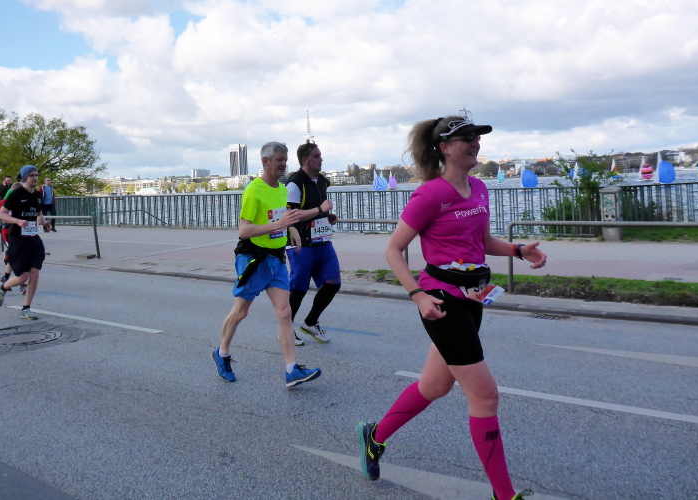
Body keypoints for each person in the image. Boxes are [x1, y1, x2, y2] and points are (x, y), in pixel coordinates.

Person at [356, 110, 547, 500]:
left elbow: (481, 242)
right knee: (485, 396)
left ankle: (374, 437)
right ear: (444, 148)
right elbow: (393, 249)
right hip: (441, 302)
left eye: (477, 137)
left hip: (473, 298)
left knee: (434, 385)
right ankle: (504, 495)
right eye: (467, 138)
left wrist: (517, 249)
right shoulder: (430, 194)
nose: (476, 143)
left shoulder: (479, 188)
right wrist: (418, 295)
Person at [212, 142, 322, 388]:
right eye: (280, 160)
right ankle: (222, 353)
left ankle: (291, 370)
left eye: (285, 159)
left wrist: (291, 230)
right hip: (253, 259)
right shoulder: (253, 190)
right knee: (241, 312)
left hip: (276, 259)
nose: (284, 164)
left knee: (285, 312)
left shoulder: (282, 190)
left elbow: (281, 218)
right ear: (266, 162)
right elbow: (244, 230)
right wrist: (279, 225)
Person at [284, 141, 341, 345]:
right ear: (305, 160)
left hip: (322, 242)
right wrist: (319, 210)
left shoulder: (322, 181)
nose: (321, 159)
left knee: (334, 283)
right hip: (301, 244)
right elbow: (291, 216)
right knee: (299, 289)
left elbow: (318, 209)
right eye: (316, 156)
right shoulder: (294, 183)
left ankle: (310, 322)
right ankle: (286, 329)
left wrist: (327, 216)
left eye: (320, 156)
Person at [0, 165, 52, 320]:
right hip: (18, 239)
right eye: (32, 175)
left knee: (35, 274)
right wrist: (17, 221)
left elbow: (38, 215)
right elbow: (1, 214)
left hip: (33, 239)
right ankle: (3, 287)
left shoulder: (38, 195)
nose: (35, 178)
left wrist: (45, 223)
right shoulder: (16, 193)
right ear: (25, 177)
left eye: (36, 175)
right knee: (23, 277)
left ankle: (26, 308)